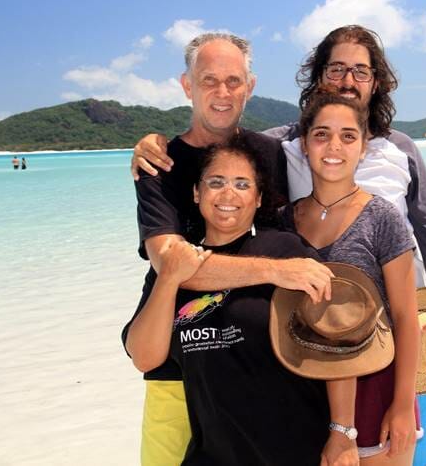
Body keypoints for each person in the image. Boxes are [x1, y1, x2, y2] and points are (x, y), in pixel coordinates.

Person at [132, 25, 426, 464]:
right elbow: (178, 250)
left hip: (375, 349)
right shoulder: (274, 149)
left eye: (361, 71)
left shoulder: (394, 149)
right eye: (336, 69)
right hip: (245, 352)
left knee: (414, 451)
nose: (348, 81)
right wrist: (148, 142)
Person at [128, 32, 334, 465]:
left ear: (250, 86)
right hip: (176, 361)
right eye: (208, 80)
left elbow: (332, 148)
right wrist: (275, 271)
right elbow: (173, 260)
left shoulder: (267, 153)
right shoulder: (160, 163)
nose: (222, 93)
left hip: (255, 363)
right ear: (187, 85)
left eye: (233, 81)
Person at [285, 93, 420, 464]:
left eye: (348, 136)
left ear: (363, 148)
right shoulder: (284, 220)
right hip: (303, 387)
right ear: (303, 145)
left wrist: (404, 404)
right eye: (321, 134)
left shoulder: (382, 218)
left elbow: (407, 317)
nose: (334, 146)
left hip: (375, 385)